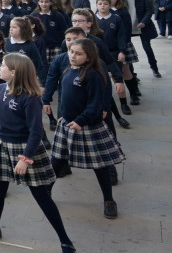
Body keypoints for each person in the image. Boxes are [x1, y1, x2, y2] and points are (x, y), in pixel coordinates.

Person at [0, 53, 74, 251]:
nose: (0, 68)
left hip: (25, 149)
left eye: (3, 66)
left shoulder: (30, 97)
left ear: (14, 72)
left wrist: (25, 158)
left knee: (41, 195)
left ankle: (65, 240)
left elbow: (37, 132)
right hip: (2, 146)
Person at [49, 38, 126, 219]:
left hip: (86, 126)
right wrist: (62, 115)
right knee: (56, 161)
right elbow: (65, 95)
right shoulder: (69, 69)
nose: (73, 56)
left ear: (89, 56)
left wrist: (81, 121)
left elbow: (95, 105)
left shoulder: (92, 74)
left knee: (100, 166)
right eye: (71, 51)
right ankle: (45, 192)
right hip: (67, 124)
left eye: (78, 53)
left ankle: (109, 200)